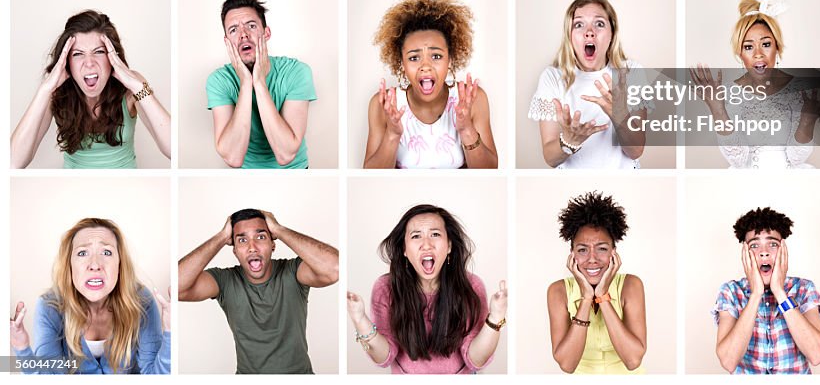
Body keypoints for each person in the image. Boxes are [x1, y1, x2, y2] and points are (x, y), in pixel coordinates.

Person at [346, 204, 507, 374]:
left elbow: (476, 360)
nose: (426, 244)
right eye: (416, 236)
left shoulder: (472, 286)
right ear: (404, 250)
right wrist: (360, 319)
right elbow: (383, 357)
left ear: (449, 246)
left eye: (435, 234)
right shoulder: (386, 288)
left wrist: (496, 317)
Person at [178, 209, 338, 374]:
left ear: (273, 243)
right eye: (242, 240)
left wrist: (279, 230)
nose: (252, 247)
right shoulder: (225, 280)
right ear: (234, 250)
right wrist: (221, 237)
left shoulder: (293, 271)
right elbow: (177, 288)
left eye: (261, 237)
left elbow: (334, 269)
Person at [11, 11, 171, 169]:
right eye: (78, 54)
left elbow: (172, 149)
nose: (89, 63)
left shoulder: (132, 86)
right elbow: (12, 163)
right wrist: (44, 90)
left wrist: (137, 86)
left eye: (99, 52)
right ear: (67, 63)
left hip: (125, 187)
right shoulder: (55, 91)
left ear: (112, 57)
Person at [9, 218, 170, 373]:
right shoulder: (50, 306)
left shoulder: (141, 301)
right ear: (69, 265)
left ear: (120, 264)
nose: (94, 265)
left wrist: (170, 332)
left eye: (106, 252)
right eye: (82, 253)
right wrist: (21, 348)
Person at [365, 0, 497, 169]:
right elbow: (371, 177)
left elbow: (490, 171)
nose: (425, 66)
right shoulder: (383, 104)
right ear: (401, 63)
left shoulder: (473, 99)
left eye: (436, 56)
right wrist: (392, 135)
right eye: (413, 58)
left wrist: (467, 129)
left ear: (450, 59)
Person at [690, 0, 819, 169]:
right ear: (740, 54)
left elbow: (796, 159)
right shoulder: (728, 93)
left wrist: (807, 121)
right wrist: (718, 110)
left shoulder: (799, 90)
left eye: (766, 44)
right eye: (749, 47)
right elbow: (738, 161)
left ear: (777, 48)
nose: (758, 54)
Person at [529, 0, 646, 169]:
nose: (589, 32)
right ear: (569, 36)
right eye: (579, 24)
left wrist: (620, 115)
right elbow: (550, 158)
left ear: (612, 33)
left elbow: (636, 151)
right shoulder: (552, 77)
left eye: (599, 24)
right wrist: (569, 141)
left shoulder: (631, 72)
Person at [206, 0, 316, 169]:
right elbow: (233, 158)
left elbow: (285, 154)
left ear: (266, 33)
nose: (243, 35)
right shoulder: (218, 81)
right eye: (233, 30)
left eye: (251, 26)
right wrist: (246, 83)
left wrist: (259, 82)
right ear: (227, 42)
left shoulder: (297, 72)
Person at [713, 207, 820, 374]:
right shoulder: (730, 292)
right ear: (744, 253)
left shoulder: (803, 288)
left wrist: (780, 292)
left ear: (783, 250)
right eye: (755, 245)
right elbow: (728, 361)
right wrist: (756, 294)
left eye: (772, 244)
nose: (764, 252)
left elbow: (817, 355)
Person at [547, 192, 646, 373]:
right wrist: (586, 299)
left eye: (601, 248)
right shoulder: (558, 291)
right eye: (583, 250)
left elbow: (633, 360)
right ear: (572, 254)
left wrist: (602, 296)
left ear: (613, 252)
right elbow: (567, 365)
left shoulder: (631, 285)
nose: (592, 259)